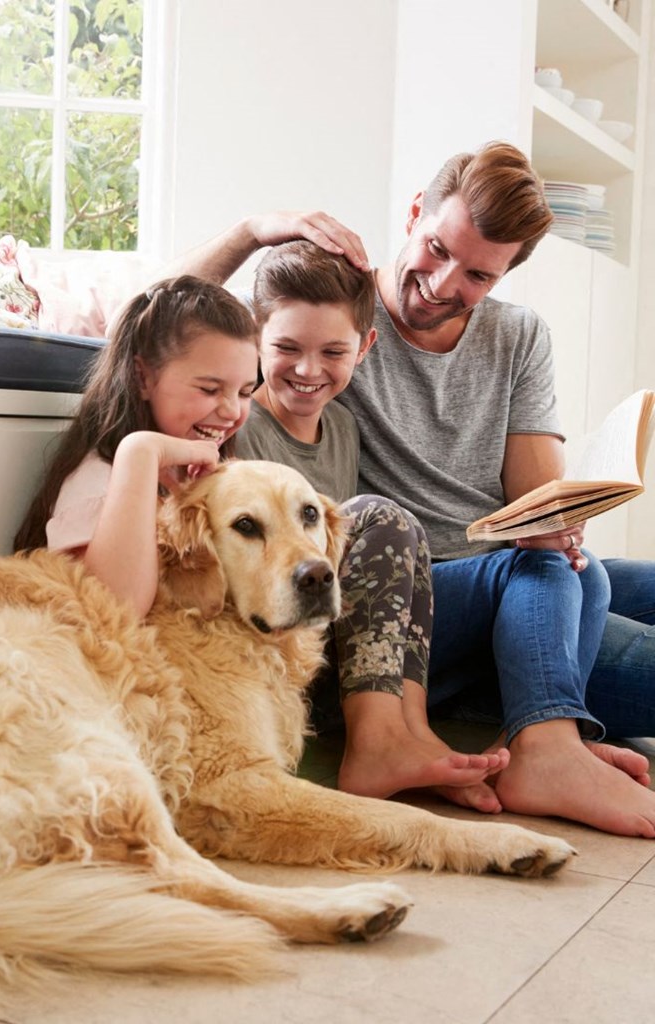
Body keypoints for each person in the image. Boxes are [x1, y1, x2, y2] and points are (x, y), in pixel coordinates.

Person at [173, 141, 655, 837]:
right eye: (436, 248)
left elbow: (534, 501)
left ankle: (547, 723)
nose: (441, 282)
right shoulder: (335, 315)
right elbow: (163, 323)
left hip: (510, 578)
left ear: (503, 277)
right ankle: (549, 744)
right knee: (546, 574)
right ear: (413, 215)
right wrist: (252, 230)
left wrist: (564, 517)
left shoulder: (518, 337)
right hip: (418, 592)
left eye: (477, 275)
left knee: (580, 574)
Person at [236, 239, 508, 805]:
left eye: (333, 353)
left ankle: (410, 735)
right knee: (377, 515)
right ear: (254, 339)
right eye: (286, 347)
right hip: (283, 657)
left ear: (365, 348)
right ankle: (378, 741)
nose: (309, 370)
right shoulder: (241, 432)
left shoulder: (342, 426)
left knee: (405, 532)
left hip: (336, 647)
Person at [13, 275, 260, 617]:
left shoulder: (193, 473)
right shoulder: (101, 483)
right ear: (143, 378)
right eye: (209, 390)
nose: (232, 410)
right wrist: (141, 453)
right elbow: (116, 612)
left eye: (246, 392)